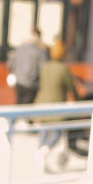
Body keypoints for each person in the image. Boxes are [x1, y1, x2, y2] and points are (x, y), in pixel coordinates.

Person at [34, 38, 79, 169]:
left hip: (41, 105)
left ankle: (42, 156)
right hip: (56, 106)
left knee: (43, 133)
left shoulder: (45, 67)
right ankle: (44, 151)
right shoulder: (63, 69)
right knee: (56, 134)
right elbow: (71, 87)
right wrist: (78, 99)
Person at [7, 27, 47, 105]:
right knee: (27, 106)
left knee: (19, 102)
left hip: (19, 80)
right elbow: (43, 68)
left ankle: (14, 116)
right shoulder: (40, 50)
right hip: (31, 83)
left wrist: (15, 72)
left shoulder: (20, 47)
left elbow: (10, 63)